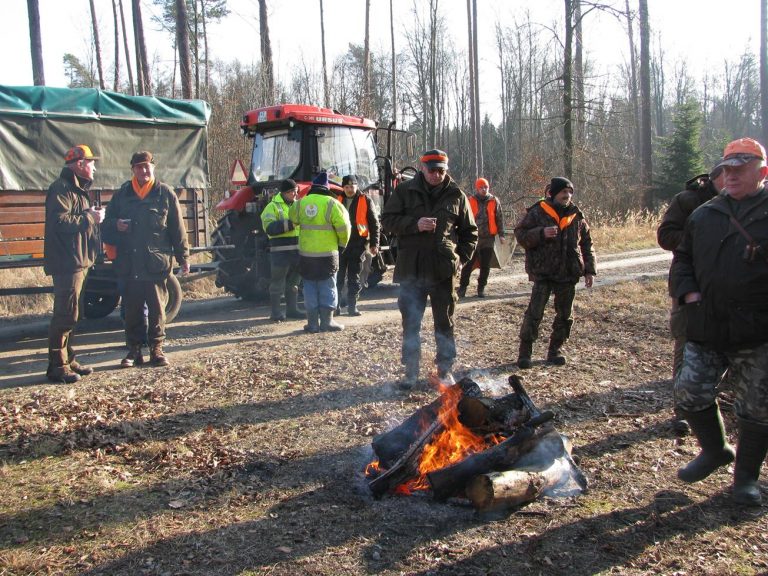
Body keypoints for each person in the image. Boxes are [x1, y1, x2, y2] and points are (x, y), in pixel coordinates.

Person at [670, 137, 768, 506]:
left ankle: (745, 479)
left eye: (740, 169)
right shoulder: (705, 214)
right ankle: (715, 450)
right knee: (689, 392)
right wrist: (688, 292)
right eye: (726, 169)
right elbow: (682, 259)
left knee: (756, 408)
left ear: (762, 171)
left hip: (757, 331)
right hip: (707, 326)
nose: (731, 176)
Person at [381, 149, 478, 389]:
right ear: (422, 168)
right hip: (411, 269)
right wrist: (415, 224)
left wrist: (460, 260)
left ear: (447, 170)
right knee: (411, 322)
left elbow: (470, 233)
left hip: (442, 271)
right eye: (432, 170)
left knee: (444, 322)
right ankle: (410, 371)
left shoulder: (457, 195)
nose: (436, 175)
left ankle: (444, 370)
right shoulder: (404, 191)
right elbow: (387, 221)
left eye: (441, 171)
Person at [102, 151, 190, 368]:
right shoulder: (122, 195)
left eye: (147, 166)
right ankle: (133, 351)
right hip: (129, 264)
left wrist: (183, 257)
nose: (143, 170)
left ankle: (157, 349)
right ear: (133, 169)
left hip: (155, 264)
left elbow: (178, 230)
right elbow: (105, 224)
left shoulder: (165, 193)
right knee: (132, 311)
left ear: (153, 167)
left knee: (158, 310)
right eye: (139, 167)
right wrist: (116, 225)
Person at [657, 167, 725, 434]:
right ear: (715, 177)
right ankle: (683, 412)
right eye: (727, 173)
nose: (731, 179)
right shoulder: (688, 200)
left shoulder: (750, 205)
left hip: (732, 290)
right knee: (686, 345)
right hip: (691, 284)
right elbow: (665, 236)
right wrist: (703, 239)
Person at [514, 177, 596, 369]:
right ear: (553, 193)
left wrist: (590, 270)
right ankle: (525, 354)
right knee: (534, 314)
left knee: (565, 316)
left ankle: (555, 351)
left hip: (568, 273)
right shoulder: (537, 211)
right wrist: (541, 233)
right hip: (544, 272)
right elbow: (520, 235)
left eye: (569, 192)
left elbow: (587, 243)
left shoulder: (577, 215)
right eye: (563, 192)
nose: (567, 196)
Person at [43, 145, 105, 383]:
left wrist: (90, 215)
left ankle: (69, 360)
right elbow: (60, 222)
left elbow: (74, 221)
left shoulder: (76, 189)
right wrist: (91, 217)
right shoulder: (61, 189)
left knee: (74, 314)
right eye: (91, 162)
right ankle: (57, 367)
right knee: (65, 315)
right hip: (67, 263)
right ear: (80, 164)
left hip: (79, 261)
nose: (94, 167)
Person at [290, 172, 350, 333]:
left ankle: (312, 324)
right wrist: (342, 245)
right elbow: (345, 227)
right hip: (328, 255)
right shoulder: (333, 203)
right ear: (326, 188)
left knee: (309, 286)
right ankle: (327, 322)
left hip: (306, 255)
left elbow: (292, 219)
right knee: (328, 285)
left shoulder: (301, 203)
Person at [336, 174, 381, 316]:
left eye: (352, 186)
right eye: (347, 187)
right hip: (340, 244)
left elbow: (374, 224)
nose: (349, 189)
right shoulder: (337, 200)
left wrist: (374, 243)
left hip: (358, 244)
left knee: (354, 276)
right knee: (338, 276)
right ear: (343, 187)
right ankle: (336, 306)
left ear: (357, 186)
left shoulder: (365, 200)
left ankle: (352, 306)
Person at [261, 179, 303, 322]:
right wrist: (291, 224)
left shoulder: (298, 205)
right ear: (284, 192)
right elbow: (270, 228)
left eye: (296, 191)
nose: (294, 194)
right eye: (291, 192)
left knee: (294, 283)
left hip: (297, 251)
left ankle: (292, 310)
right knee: (277, 283)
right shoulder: (271, 207)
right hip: (280, 252)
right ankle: (276, 313)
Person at [458, 177, 506, 298]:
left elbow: (499, 218)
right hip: (473, 238)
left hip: (488, 238)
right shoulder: (470, 200)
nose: (484, 189)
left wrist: (502, 235)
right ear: (477, 188)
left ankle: (481, 289)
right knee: (468, 264)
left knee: (485, 265)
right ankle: (463, 288)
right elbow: (463, 218)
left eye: (486, 187)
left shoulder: (494, 200)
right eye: (481, 187)